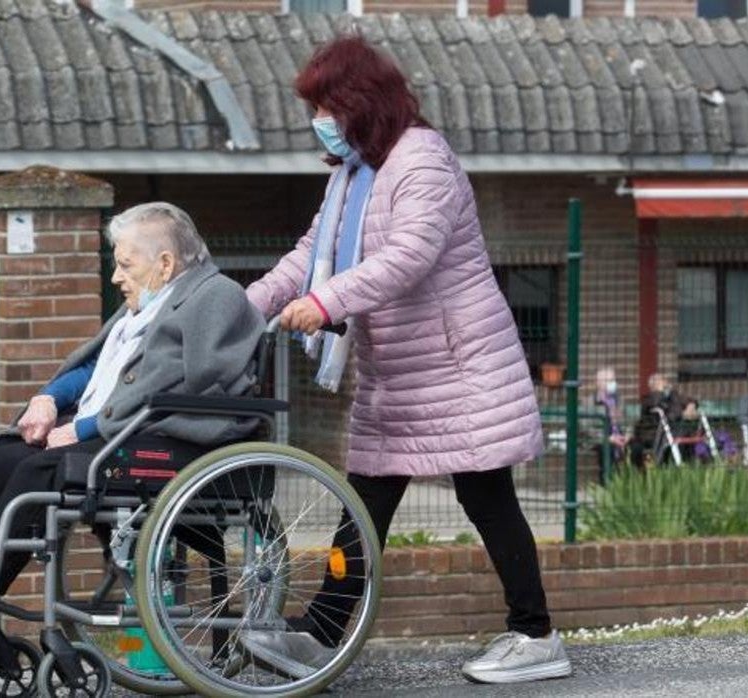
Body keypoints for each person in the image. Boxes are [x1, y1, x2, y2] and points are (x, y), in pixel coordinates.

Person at [239, 37, 570, 685]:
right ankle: (323, 632)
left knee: (487, 497)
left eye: (326, 106)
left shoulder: (424, 161)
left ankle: (536, 637)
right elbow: (310, 253)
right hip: (398, 374)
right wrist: (238, 311)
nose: (319, 121)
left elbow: (408, 257)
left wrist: (324, 301)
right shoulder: (353, 174)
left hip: (459, 367)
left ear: (359, 101)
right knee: (364, 503)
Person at [0, 203, 265, 638]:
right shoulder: (149, 303)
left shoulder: (216, 296)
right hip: (124, 434)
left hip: (173, 443)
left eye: (125, 265)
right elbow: (96, 368)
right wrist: (49, 399)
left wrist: (86, 428)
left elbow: (189, 387)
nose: (116, 277)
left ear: (165, 263)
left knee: (39, 469)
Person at [629, 373, 699, 467]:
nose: (665, 383)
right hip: (654, 434)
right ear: (653, 385)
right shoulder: (650, 400)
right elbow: (669, 416)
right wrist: (682, 413)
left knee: (690, 432)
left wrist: (691, 405)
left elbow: (688, 400)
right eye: (662, 381)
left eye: (664, 380)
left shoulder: (670, 396)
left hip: (671, 430)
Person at [593, 367, 629, 481]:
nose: (612, 383)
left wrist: (628, 434)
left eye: (613, 380)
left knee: (636, 448)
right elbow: (587, 427)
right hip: (603, 438)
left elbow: (629, 421)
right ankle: (607, 483)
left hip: (621, 436)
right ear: (599, 383)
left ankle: (631, 483)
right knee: (607, 448)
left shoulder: (620, 400)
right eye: (609, 380)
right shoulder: (590, 401)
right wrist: (608, 438)